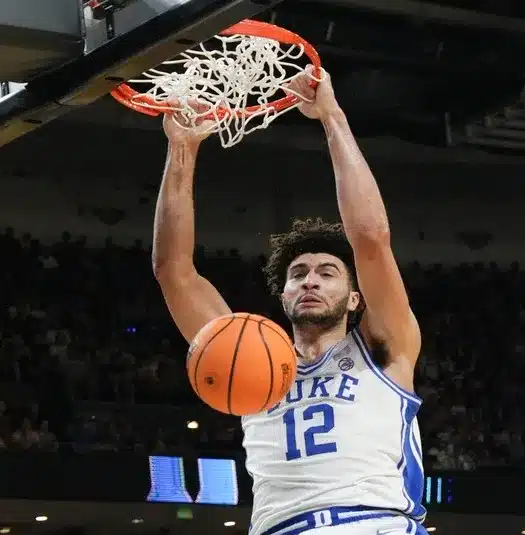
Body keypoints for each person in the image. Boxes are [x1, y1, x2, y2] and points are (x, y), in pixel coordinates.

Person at [152, 66, 425, 535]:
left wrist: (331, 116)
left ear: (355, 298)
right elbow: (172, 270)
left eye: (327, 273)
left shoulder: (385, 349)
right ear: (283, 296)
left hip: (372, 523)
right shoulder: (247, 358)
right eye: (298, 275)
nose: (310, 281)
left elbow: (371, 239)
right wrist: (182, 147)